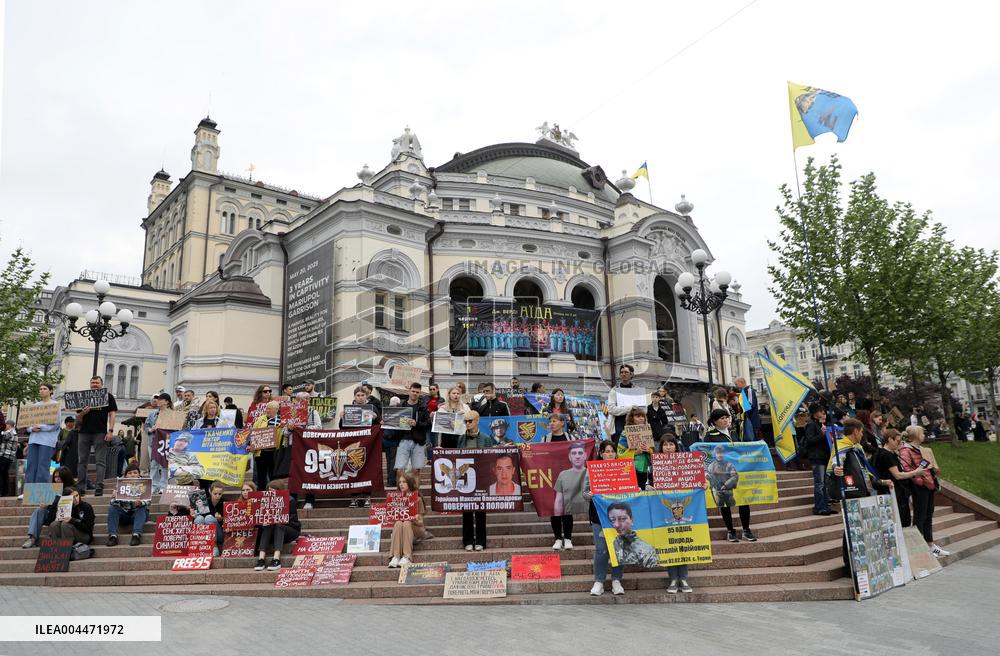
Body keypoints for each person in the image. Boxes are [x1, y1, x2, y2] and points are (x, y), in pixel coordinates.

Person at [703, 408, 756, 542]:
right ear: (714, 422)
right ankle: (730, 531)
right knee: (725, 503)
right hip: (720, 474)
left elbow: (740, 449)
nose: (726, 420)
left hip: (737, 471)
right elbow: (706, 454)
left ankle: (746, 530)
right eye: (722, 418)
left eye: (727, 417)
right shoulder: (710, 435)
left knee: (743, 500)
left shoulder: (733, 431)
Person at [898, 425, 950, 557]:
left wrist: (934, 468)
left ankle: (930, 544)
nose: (924, 435)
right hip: (919, 486)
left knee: (928, 515)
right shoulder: (906, 450)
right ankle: (920, 546)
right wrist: (919, 479)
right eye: (922, 433)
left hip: (929, 484)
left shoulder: (922, 449)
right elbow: (905, 468)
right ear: (915, 435)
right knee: (920, 516)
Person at [584, 440, 625, 596]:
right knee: (601, 549)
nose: (610, 454)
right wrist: (589, 494)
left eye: (612, 451)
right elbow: (584, 493)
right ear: (601, 453)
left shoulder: (623, 468)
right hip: (598, 515)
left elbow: (629, 489)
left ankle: (616, 580)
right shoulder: (592, 470)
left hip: (619, 516)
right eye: (607, 451)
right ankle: (599, 581)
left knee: (619, 547)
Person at [76, 375, 118, 496]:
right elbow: (77, 419)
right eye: (92, 383)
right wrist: (83, 413)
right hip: (84, 432)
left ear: (102, 384)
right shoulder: (84, 396)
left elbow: (112, 414)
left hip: (100, 432)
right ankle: (81, 487)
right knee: (82, 461)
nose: (94, 385)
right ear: (90, 384)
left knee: (100, 461)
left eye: (97, 383)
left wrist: (111, 431)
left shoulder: (108, 396)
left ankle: (99, 486)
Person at [339, 387, 379, 507]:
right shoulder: (349, 409)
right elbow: (342, 428)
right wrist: (342, 418)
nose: (360, 397)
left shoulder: (372, 408)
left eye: (362, 395)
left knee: (368, 470)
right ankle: (354, 497)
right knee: (352, 469)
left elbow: (379, 425)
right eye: (358, 395)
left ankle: (367, 497)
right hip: (353, 443)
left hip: (368, 443)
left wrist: (376, 418)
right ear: (354, 396)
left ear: (366, 396)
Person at [21, 467, 76, 548]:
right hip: (52, 515)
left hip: (65, 516)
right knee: (39, 510)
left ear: (65, 477)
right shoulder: (51, 488)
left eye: (59, 477)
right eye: (55, 477)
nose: (57, 479)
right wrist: (45, 505)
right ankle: (32, 538)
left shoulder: (72, 490)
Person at [872, 428, 917, 527]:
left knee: (903, 520)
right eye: (897, 441)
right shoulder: (886, 455)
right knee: (901, 521)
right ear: (889, 439)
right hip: (893, 493)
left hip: (897, 493)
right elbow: (897, 475)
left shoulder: (888, 453)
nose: (899, 444)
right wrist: (915, 472)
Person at [254, 478, 300, 571]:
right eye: (269, 491)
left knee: (278, 525)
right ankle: (261, 559)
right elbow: (257, 520)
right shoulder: (264, 502)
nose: (271, 494)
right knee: (268, 525)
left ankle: (276, 559)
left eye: (273, 491)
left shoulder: (290, 500)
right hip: (271, 531)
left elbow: (293, 521)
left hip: (289, 529)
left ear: (280, 491)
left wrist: (279, 518)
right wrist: (263, 523)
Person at [550, 438, 587, 550]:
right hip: (568, 508)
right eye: (574, 453)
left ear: (585, 455)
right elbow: (559, 498)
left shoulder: (591, 472)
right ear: (569, 457)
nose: (577, 456)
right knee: (561, 508)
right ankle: (558, 538)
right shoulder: (563, 474)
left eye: (580, 453)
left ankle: (567, 539)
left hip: (587, 506)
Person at [459, 412, 487, 550]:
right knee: (467, 510)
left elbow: (491, 457)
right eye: (465, 421)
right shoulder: (461, 438)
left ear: (477, 421)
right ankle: (468, 541)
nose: (467, 424)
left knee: (481, 511)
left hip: (481, 477)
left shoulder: (486, 438)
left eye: (470, 421)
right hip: (466, 478)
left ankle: (481, 540)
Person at [387, 472, 427, 568]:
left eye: (404, 482)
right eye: (400, 482)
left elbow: (421, 523)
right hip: (401, 528)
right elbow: (393, 520)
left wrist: (416, 518)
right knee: (398, 523)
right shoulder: (396, 499)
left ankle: (407, 557)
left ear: (410, 483)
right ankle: (396, 557)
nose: (401, 484)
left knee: (407, 522)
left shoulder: (417, 499)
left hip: (415, 529)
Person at [106, 463, 150, 546]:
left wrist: (141, 502)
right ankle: (113, 536)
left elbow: (148, 502)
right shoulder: (120, 484)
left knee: (142, 508)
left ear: (139, 474)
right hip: (124, 514)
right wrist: (115, 497)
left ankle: (136, 535)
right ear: (126, 475)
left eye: (135, 473)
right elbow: (112, 503)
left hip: (138, 514)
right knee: (112, 508)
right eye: (130, 473)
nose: (132, 475)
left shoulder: (145, 483)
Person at [26, 383, 60, 486]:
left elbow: (56, 424)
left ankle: (41, 490)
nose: (42, 390)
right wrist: (31, 429)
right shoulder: (35, 406)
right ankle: (29, 489)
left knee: (43, 465)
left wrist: (41, 427)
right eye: (40, 389)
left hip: (46, 440)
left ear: (51, 391)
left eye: (44, 389)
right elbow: (27, 424)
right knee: (31, 465)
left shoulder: (55, 405)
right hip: (33, 439)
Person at [395, 383, 431, 481]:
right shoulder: (401, 405)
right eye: (413, 391)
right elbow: (394, 421)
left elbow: (428, 424)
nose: (415, 393)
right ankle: (401, 490)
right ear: (409, 391)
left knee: (416, 470)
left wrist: (417, 424)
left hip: (418, 441)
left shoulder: (423, 406)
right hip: (403, 440)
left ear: (420, 393)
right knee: (399, 469)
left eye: (417, 392)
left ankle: (415, 491)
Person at [606, 501, 658, 568]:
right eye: (612, 520)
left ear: (632, 519)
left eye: (622, 519)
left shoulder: (647, 550)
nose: (616, 525)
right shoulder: (612, 543)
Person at [803, 403, 833, 516]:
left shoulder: (821, 424)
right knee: (819, 484)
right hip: (816, 457)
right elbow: (810, 440)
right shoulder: (811, 425)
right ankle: (819, 507)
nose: (823, 413)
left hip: (824, 457)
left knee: (825, 483)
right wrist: (822, 434)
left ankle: (826, 506)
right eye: (821, 411)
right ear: (815, 413)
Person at [144, 393, 172, 493]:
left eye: (160, 399)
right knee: (154, 464)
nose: (158, 401)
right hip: (153, 441)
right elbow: (146, 427)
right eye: (157, 399)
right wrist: (150, 429)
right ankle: (154, 485)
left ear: (167, 402)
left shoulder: (172, 414)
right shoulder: (152, 414)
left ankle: (163, 486)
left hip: (166, 442)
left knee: (165, 464)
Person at [252, 400, 282, 490]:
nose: (267, 410)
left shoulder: (281, 420)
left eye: (269, 409)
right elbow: (253, 431)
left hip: (274, 453)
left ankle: (274, 494)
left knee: (273, 476)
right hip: (261, 452)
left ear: (276, 409)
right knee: (261, 477)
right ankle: (261, 494)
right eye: (266, 408)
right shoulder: (261, 419)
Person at [606, 364, 639, 443]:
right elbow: (611, 409)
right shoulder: (614, 390)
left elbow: (643, 409)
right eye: (621, 372)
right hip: (618, 426)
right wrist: (630, 408)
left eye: (626, 372)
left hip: (634, 425)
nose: (623, 374)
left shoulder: (637, 390)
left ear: (631, 374)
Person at [194, 480, 227, 556]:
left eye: (220, 494)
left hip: (219, 534)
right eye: (215, 494)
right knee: (199, 518)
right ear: (210, 492)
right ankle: (200, 545)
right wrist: (194, 515)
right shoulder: (205, 503)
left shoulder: (225, 503)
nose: (217, 496)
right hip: (205, 532)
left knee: (209, 518)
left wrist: (221, 519)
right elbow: (200, 519)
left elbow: (229, 522)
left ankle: (214, 547)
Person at [622, 408, 653, 488]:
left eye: (643, 416)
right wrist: (635, 453)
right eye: (638, 416)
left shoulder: (647, 432)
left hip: (644, 469)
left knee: (642, 490)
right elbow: (620, 452)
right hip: (630, 469)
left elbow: (652, 451)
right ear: (632, 418)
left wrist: (648, 450)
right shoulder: (625, 433)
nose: (641, 418)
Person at [434, 386, 470, 450]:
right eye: (453, 393)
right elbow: (439, 428)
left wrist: (465, 416)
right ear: (449, 395)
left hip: (461, 436)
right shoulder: (442, 408)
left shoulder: (465, 407)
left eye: (458, 393)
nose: (456, 395)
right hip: (446, 437)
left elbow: (470, 420)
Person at [734, 377, 760, 441]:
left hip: (751, 420)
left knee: (752, 440)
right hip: (747, 420)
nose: (736, 386)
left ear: (741, 382)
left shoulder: (749, 390)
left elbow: (750, 405)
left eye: (736, 384)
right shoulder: (744, 391)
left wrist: (739, 401)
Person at [0, 420, 17, 497]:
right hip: (8, 456)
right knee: (4, 474)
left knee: (1, 474)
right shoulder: (13, 432)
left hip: (5, 455)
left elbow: (3, 437)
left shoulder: (11, 432)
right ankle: (5, 492)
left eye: (5, 425)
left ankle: (1, 491)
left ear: (9, 425)